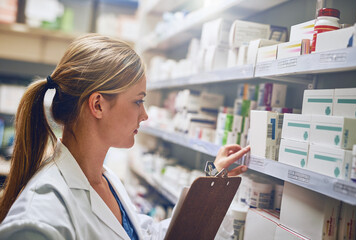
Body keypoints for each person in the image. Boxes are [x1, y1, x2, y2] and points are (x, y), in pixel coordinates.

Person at [0, 34, 250, 239]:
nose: (145, 115)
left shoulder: (105, 180)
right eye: (138, 101)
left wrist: (211, 181)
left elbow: (143, 235)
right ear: (98, 105)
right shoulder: (40, 218)